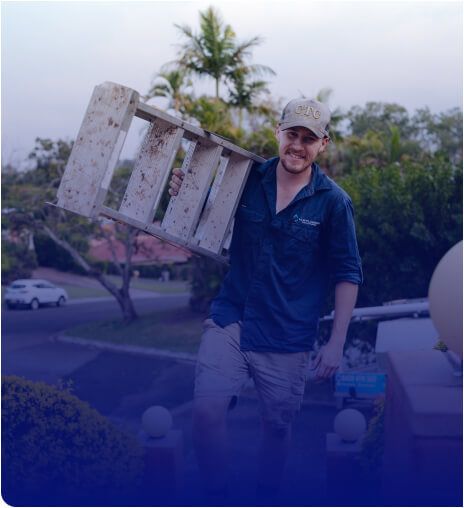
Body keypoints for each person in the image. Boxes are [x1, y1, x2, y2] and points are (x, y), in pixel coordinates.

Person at [169, 98, 363, 503]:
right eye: (292, 134)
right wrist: (185, 193)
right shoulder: (246, 178)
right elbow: (209, 219)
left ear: (323, 144)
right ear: (278, 132)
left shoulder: (333, 202)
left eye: (308, 139)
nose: (298, 146)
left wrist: (336, 342)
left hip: (287, 334)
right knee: (205, 413)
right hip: (232, 317)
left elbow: (348, 273)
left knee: (277, 428)